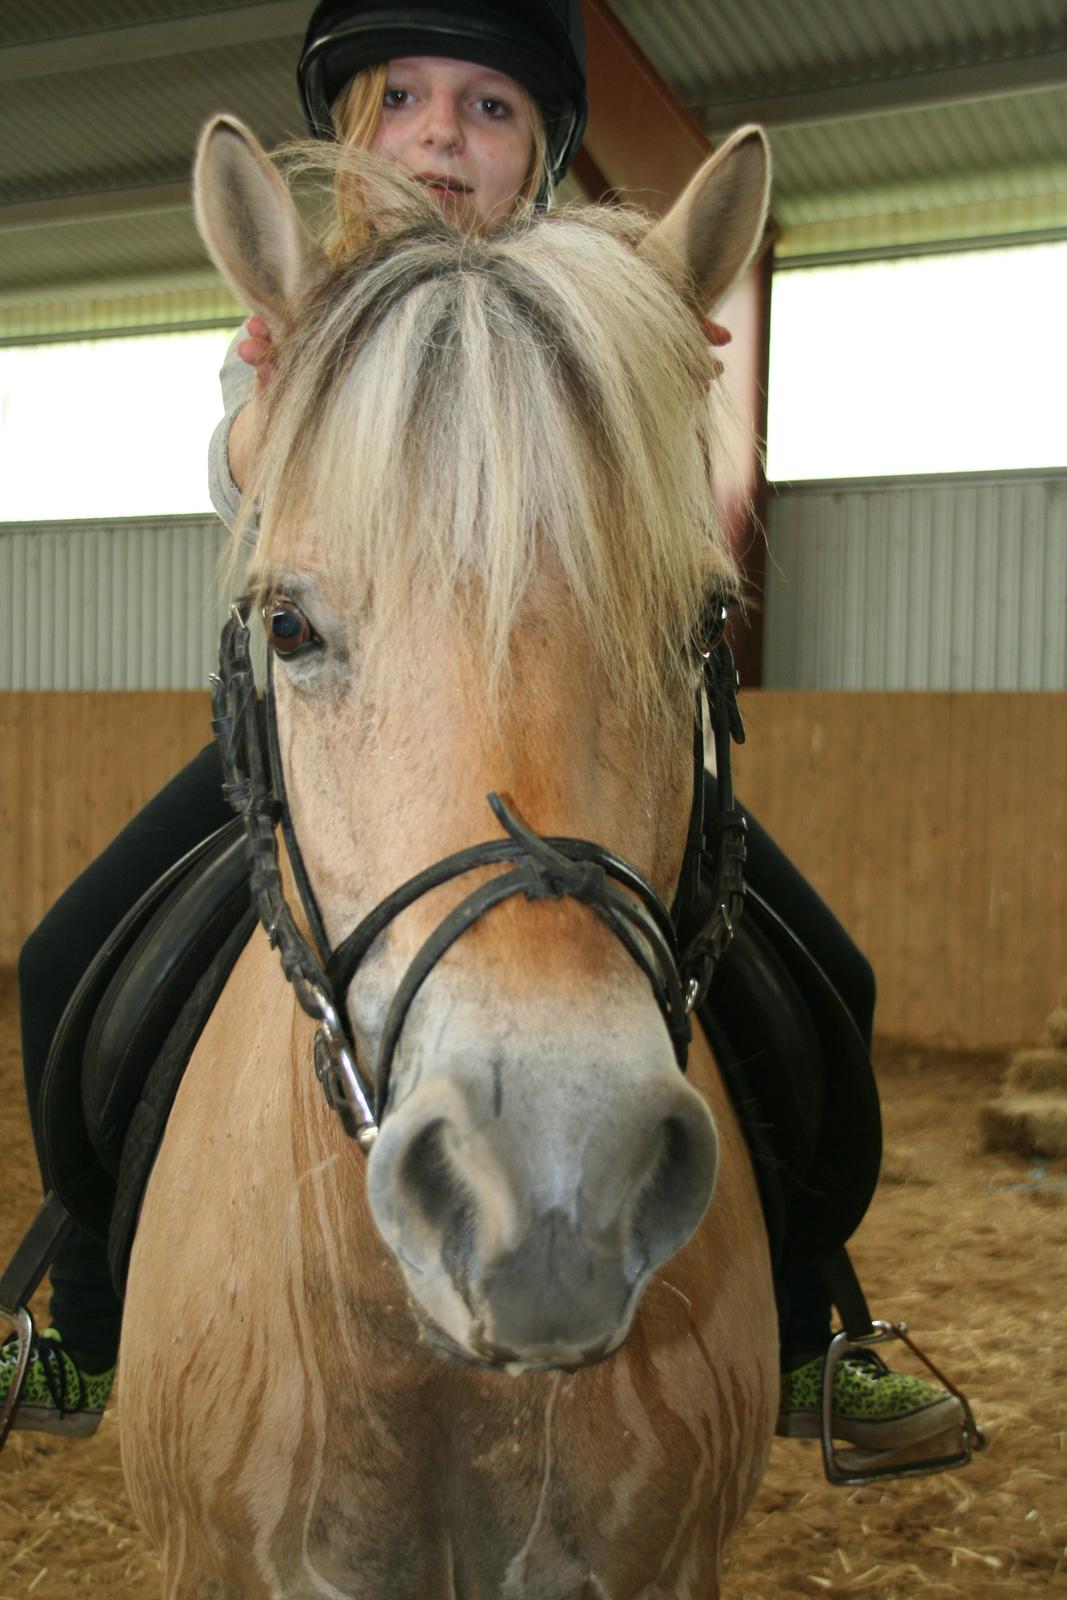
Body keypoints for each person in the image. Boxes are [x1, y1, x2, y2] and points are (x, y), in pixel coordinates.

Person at [4, 0, 961, 1465]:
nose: (444, 132)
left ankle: (818, 1333)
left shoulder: (599, 311)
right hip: (360, 737)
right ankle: (75, 1327)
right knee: (76, 955)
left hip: (570, 734)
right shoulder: (299, 317)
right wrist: (288, 378)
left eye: (492, 108)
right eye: (407, 100)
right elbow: (245, 470)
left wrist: (648, 362)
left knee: (816, 979)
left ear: (543, 150)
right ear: (353, 132)